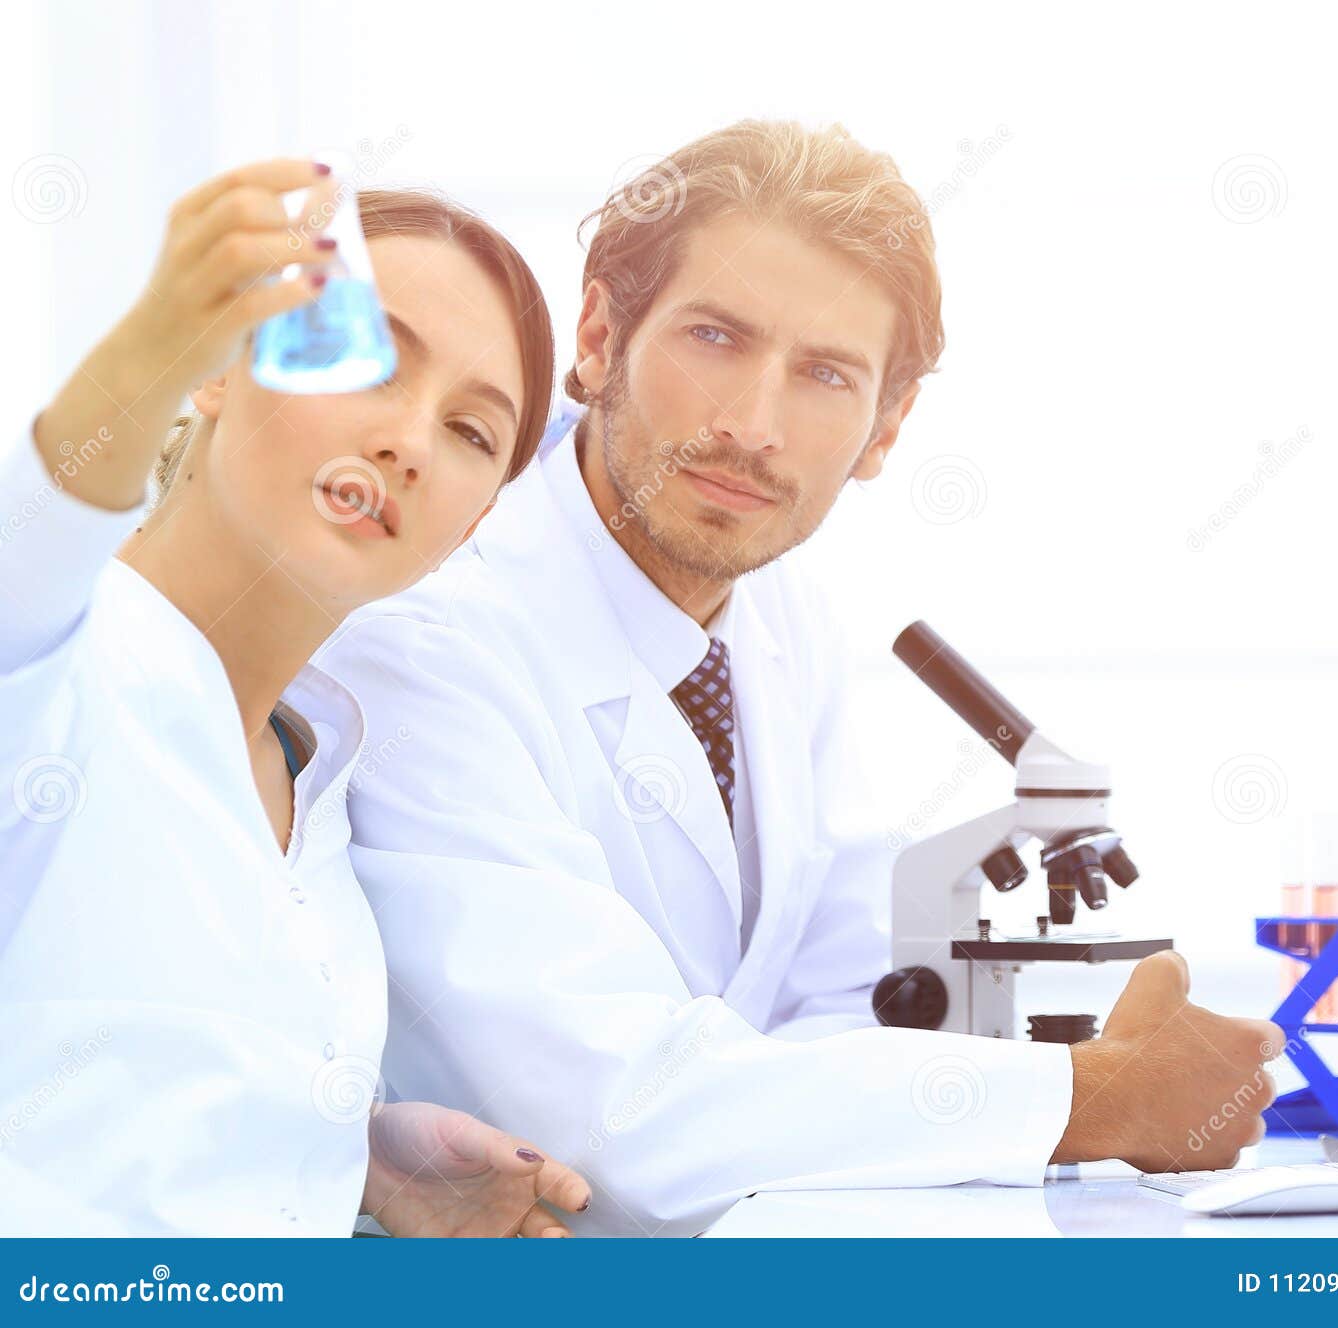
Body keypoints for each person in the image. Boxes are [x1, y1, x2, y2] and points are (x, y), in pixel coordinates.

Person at [317, 122, 1283, 1237]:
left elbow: (847, 988)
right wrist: (1093, 1095)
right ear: (595, 335)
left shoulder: (775, 609)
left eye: (825, 373)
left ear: (886, 427)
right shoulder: (420, 635)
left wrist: (1030, 1073)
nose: (753, 426)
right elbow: (609, 1113)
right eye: (715, 336)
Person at [0, 160, 588, 1236]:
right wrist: (144, 350)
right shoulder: (49, 662)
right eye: (366, 361)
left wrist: (342, 1158)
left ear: (470, 527)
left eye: (471, 432)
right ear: (219, 366)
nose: (408, 440)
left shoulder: (317, 790)